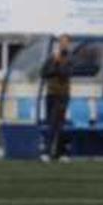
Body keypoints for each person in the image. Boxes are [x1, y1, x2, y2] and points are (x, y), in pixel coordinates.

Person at [40, 34, 72, 162]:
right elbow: (43, 73)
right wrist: (55, 65)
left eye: (65, 42)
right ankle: (51, 153)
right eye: (61, 42)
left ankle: (56, 153)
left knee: (58, 123)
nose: (63, 44)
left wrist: (57, 65)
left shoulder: (70, 58)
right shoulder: (52, 57)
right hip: (51, 94)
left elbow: (66, 74)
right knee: (51, 123)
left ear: (69, 44)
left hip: (63, 95)